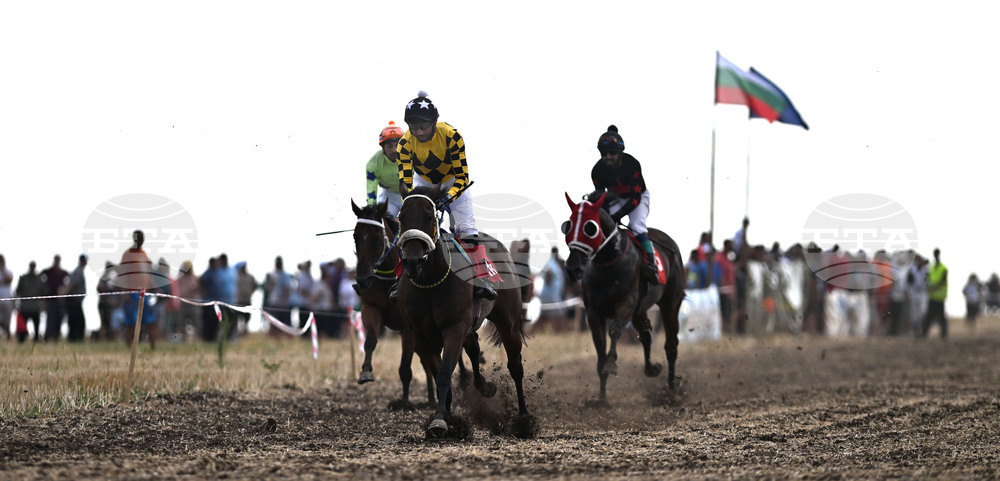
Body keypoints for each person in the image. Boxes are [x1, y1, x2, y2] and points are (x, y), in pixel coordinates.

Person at [395, 90, 497, 301]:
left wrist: (446, 197)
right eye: (414, 127)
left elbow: (462, 177)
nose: (420, 132)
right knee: (408, 227)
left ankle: (482, 278)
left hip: (452, 180)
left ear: (434, 122)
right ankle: (399, 281)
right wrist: (413, 204)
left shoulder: (452, 136)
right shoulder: (404, 144)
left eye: (423, 126)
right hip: (422, 181)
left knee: (466, 229)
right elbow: (405, 183)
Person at [590, 125, 657, 282]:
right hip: (616, 197)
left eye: (612, 152)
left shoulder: (632, 165)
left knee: (637, 227)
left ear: (620, 152)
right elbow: (601, 200)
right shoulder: (596, 171)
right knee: (603, 225)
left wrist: (616, 216)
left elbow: (635, 199)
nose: (608, 156)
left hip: (638, 196)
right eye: (604, 153)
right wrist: (608, 216)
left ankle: (651, 264)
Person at [366, 120, 405, 217]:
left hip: (410, 195)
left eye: (397, 145)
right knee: (380, 217)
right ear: (383, 147)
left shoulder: (412, 157)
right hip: (389, 196)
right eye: (389, 146)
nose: (394, 150)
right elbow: (371, 190)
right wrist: (371, 210)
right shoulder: (373, 163)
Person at [40, 254, 69, 342]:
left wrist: (64, 292)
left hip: (60, 301)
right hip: (50, 301)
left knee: (59, 319)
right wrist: (43, 296)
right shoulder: (48, 271)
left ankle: (56, 338)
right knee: (50, 320)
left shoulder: (64, 272)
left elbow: (69, 282)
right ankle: (47, 339)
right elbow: (40, 279)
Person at [15, 261, 45, 342]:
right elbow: (17, 291)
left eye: (33, 266)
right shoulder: (23, 278)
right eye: (31, 266)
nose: (32, 267)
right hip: (24, 307)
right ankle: (21, 341)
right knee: (22, 328)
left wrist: (43, 305)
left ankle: (36, 341)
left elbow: (43, 293)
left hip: (35, 307)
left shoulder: (39, 279)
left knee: (36, 328)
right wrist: (15, 303)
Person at [922, 248, 948, 339]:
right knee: (929, 316)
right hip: (932, 296)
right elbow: (929, 279)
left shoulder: (943, 268)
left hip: (940, 297)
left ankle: (944, 334)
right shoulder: (932, 267)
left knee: (941, 317)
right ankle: (924, 333)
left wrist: (932, 288)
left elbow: (942, 281)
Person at [63, 254, 88, 342]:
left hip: (76, 301)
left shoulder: (79, 270)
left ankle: (75, 339)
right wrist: (65, 294)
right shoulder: (78, 271)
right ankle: (74, 339)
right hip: (74, 301)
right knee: (77, 321)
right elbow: (72, 285)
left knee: (76, 321)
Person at [97, 261, 123, 342]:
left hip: (112, 305)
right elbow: (99, 287)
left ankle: (111, 340)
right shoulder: (104, 277)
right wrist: (108, 297)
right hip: (104, 305)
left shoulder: (113, 277)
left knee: (111, 325)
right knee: (104, 324)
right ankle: (103, 340)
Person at [235, 261, 258, 336]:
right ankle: (238, 332)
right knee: (238, 317)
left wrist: (250, 292)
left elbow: (256, 285)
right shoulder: (237, 276)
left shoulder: (250, 277)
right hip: (239, 301)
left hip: (247, 301)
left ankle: (245, 331)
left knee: (247, 318)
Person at [0, 254, 12, 340]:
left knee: (7, 323)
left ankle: (8, 339)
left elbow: (8, 279)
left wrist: (2, 269)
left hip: (7, 301)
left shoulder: (8, 271)